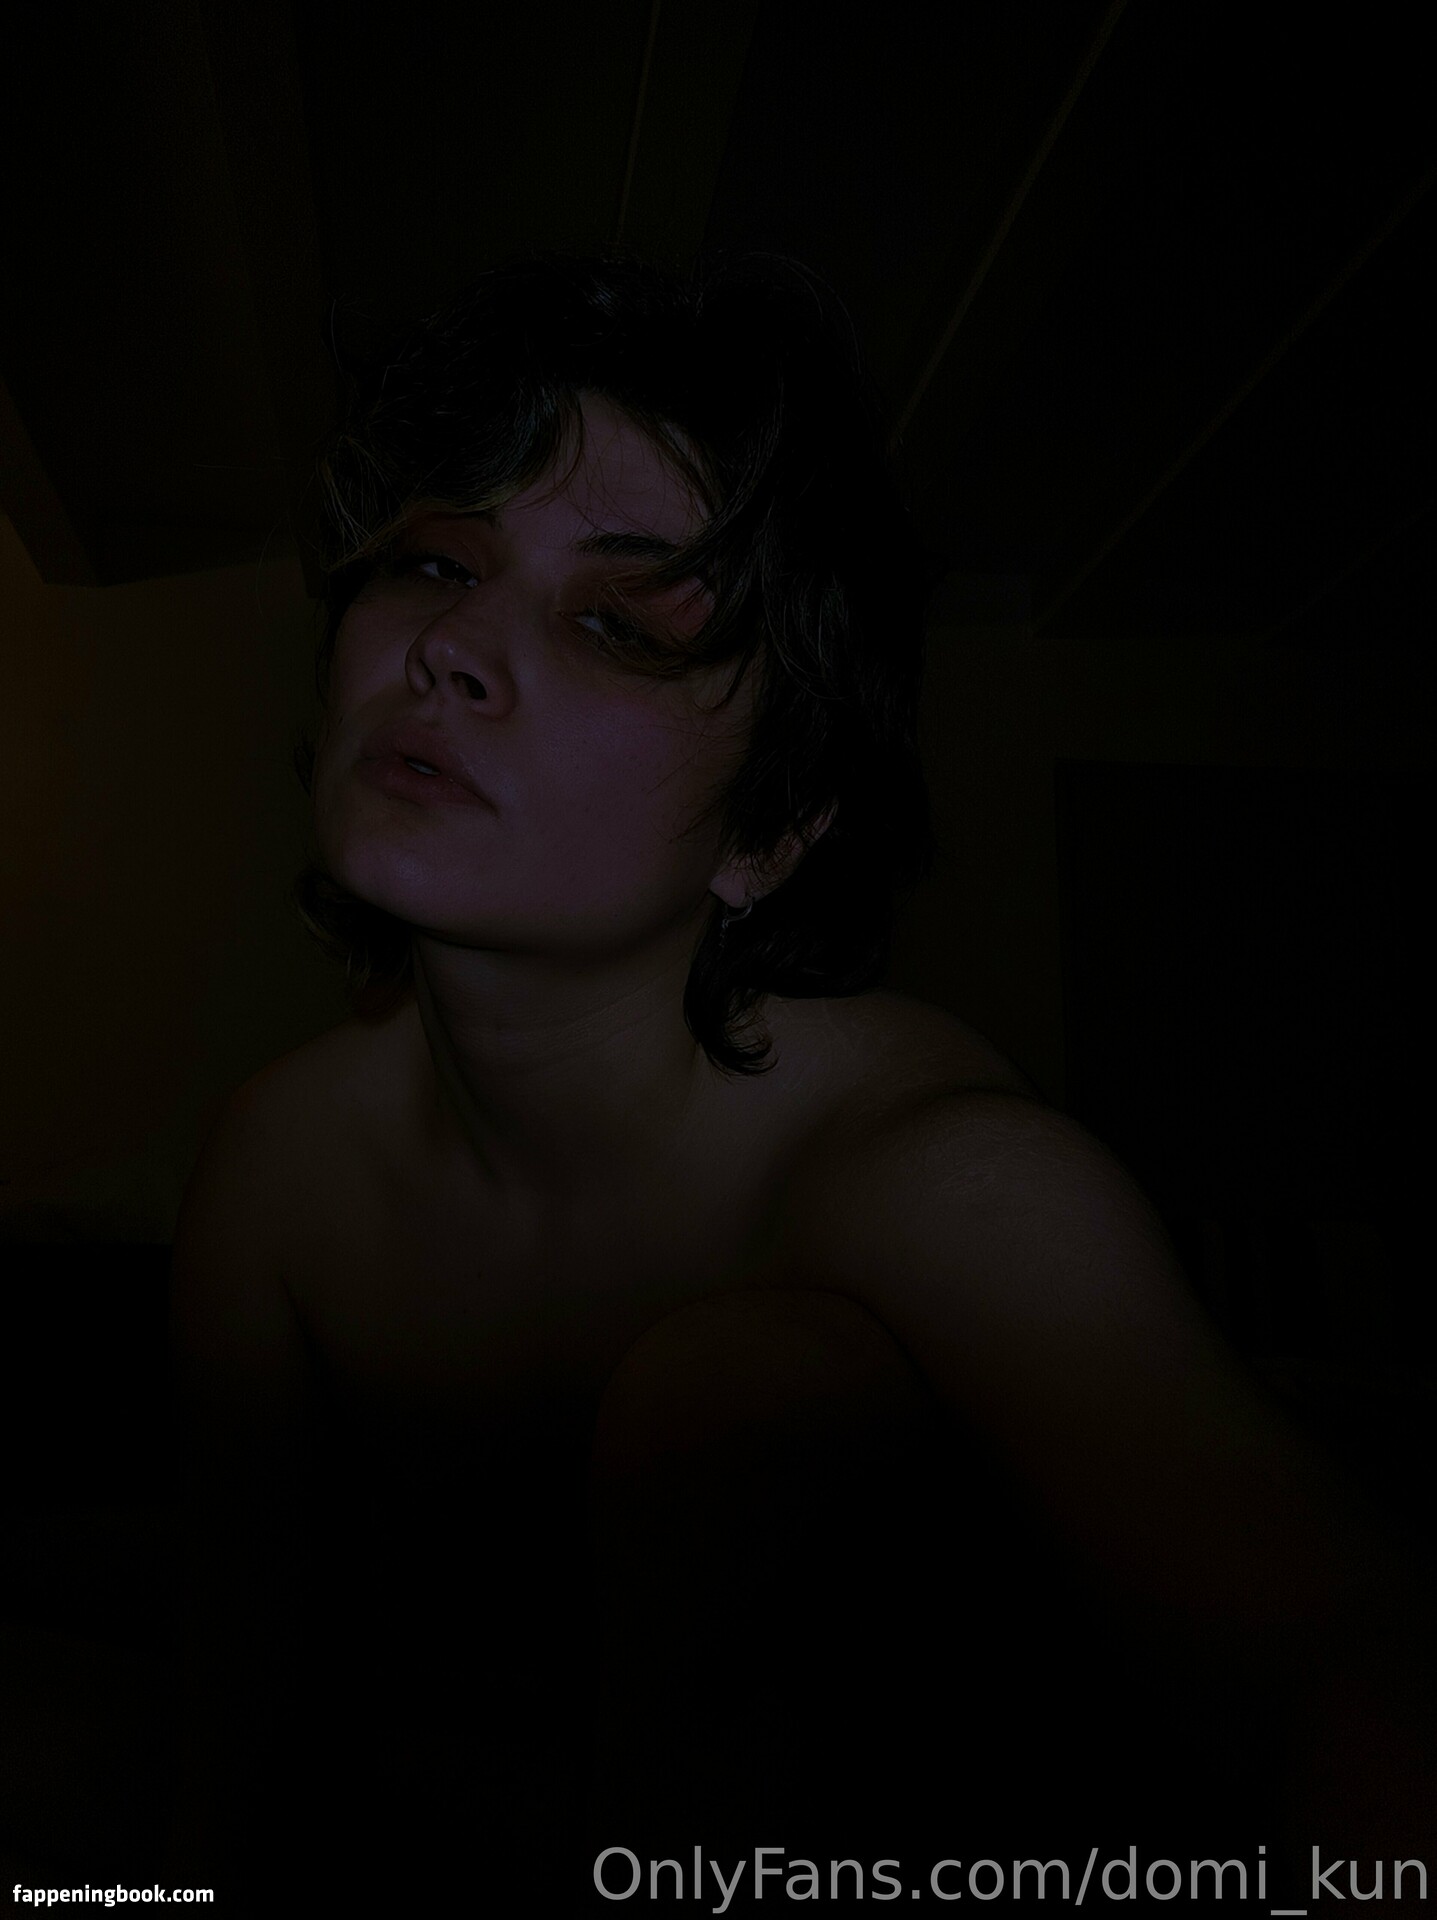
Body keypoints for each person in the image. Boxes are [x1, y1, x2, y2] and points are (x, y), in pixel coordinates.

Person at [165, 248, 1432, 1914]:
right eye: (431, 561)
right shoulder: (279, 1166)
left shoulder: (941, 1181)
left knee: (743, 1388)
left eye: (616, 622)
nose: (451, 644)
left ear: (766, 828)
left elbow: (1348, 1679)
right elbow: (238, 1736)